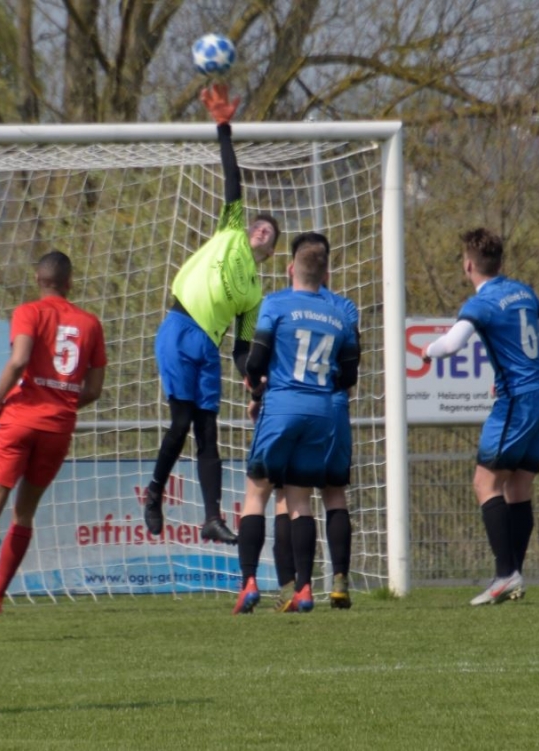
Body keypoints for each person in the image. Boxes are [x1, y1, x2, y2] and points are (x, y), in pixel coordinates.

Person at [144, 83, 279, 545]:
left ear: (271, 252)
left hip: (209, 349)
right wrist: (224, 126)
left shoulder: (255, 293)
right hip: (181, 327)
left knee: (208, 433)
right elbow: (232, 177)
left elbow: (242, 349)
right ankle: (155, 492)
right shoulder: (232, 231)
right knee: (181, 423)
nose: (262, 230)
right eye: (260, 224)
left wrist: (255, 380)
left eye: (270, 232)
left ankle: (212, 518)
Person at [0, 250, 106, 617]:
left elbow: (20, 360)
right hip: (58, 428)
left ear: (38, 280)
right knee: (24, 514)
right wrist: (62, 403)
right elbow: (93, 390)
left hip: (20, 420)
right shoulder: (91, 323)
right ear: (70, 282)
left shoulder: (28, 312)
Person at [424, 228, 539, 606]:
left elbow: (451, 345)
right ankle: (513, 576)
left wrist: (427, 350)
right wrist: (523, 365)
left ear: (468, 265)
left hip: (517, 399)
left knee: (485, 483)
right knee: (518, 488)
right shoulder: (523, 292)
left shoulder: (481, 303)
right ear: (500, 262)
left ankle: (506, 575)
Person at [234, 232, 360, 614]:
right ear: (325, 273)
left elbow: (256, 361)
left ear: (291, 268)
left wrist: (257, 391)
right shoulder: (341, 312)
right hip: (324, 412)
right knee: (302, 499)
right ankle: (305, 588)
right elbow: (350, 374)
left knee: (258, 493)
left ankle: (249, 583)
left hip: (282, 407)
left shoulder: (275, 304)